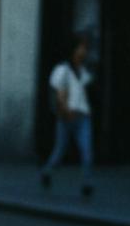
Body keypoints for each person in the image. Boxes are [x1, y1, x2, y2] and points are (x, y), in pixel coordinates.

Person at [40, 33, 95, 198]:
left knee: (86, 149)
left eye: (85, 48)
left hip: (82, 115)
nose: (84, 51)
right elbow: (58, 94)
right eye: (81, 47)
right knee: (60, 150)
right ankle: (47, 171)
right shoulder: (62, 70)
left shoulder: (84, 70)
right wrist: (63, 111)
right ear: (73, 49)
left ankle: (87, 183)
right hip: (66, 116)